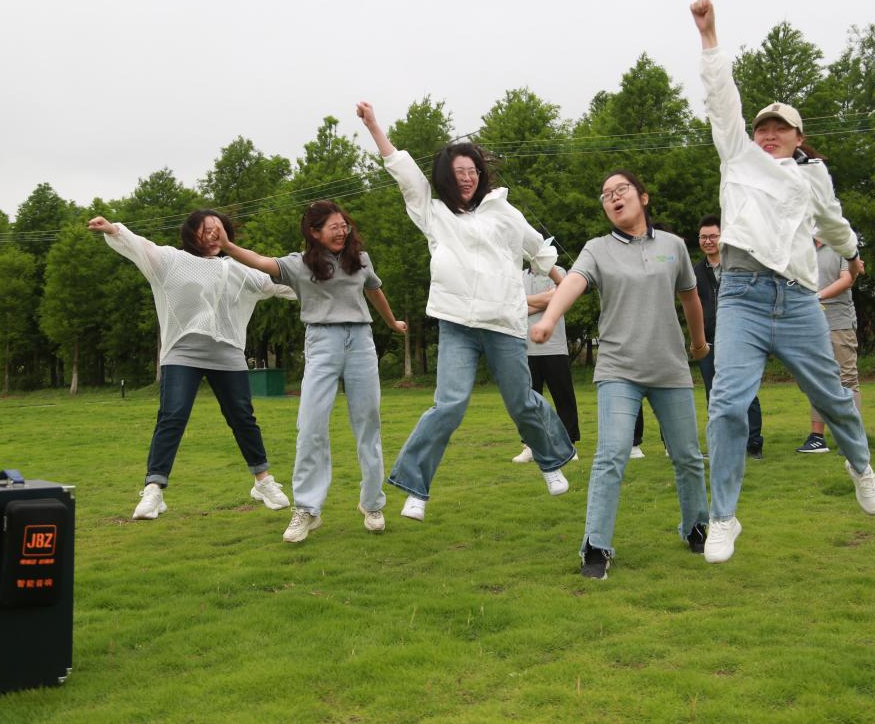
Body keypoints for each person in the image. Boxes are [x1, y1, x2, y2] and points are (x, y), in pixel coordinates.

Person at [691, 0, 875, 564]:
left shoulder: (813, 177)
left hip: (798, 300)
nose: (770, 134)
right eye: (764, 128)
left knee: (833, 396)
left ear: (799, 138)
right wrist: (709, 37)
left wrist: (852, 255)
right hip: (743, 297)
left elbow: (834, 223)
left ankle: (860, 465)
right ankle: (724, 516)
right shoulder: (737, 156)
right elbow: (722, 98)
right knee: (727, 406)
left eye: (782, 129)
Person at [356, 102, 577, 521]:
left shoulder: (504, 212)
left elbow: (540, 250)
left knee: (522, 402)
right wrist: (374, 127)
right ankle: (416, 489)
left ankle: (551, 462)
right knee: (448, 406)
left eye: (472, 170)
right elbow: (405, 175)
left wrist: (567, 285)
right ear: (446, 176)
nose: (467, 177)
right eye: (459, 172)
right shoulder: (434, 213)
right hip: (457, 323)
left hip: (504, 323)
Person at [531, 170, 710, 580]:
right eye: (606, 194)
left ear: (642, 197)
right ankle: (596, 547)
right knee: (611, 456)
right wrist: (550, 319)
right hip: (618, 370)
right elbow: (573, 282)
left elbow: (690, 297)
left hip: (669, 368)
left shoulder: (673, 246)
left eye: (621, 190)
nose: (613, 197)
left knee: (687, 456)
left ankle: (697, 527)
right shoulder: (597, 249)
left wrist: (699, 344)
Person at [213, 201, 407, 542]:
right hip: (321, 341)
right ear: (315, 233)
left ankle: (372, 504)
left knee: (368, 423)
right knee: (311, 425)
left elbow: (374, 289)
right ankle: (307, 509)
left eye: (344, 226)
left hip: (360, 341)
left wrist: (391, 322)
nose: (342, 231)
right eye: (334, 227)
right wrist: (228, 246)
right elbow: (260, 261)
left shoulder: (360, 259)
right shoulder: (299, 265)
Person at [88, 211, 296, 520]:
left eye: (218, 229)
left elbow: (284, 282)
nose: (213, 234)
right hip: (182, 352)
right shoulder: (171, 261)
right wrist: (114, 229)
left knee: (242, 417)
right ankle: (154, 489)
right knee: (172, 415)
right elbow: (140, 246)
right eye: (205, 229)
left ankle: (262, 481)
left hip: (227, 353)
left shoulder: (240, 269)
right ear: (191, 233)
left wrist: (325, 280)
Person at [695, 216, 764, 458]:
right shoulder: (695, 271)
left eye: (713, 236)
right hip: (708, 341)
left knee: (746, 392)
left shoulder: (738, 266)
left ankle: (753, 444)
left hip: (739, 339)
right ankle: (722, 444)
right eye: (703, 237)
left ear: (723, 238)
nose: (708, 241)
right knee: (714, 395)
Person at [511, 266, 581, 463]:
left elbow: (558, 299)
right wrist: (546, 300)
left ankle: (569, 446)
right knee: (528, 401)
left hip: (554, 347)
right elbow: (513, 307)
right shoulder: (519, 275)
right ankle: (531, 446)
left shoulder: (560, 273)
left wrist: (526, 301)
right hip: (526, 348)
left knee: (563, 398)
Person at [800, 236, 861, 453]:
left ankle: (852, 437)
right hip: (810, 323)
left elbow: (847, 279)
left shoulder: (842, 244)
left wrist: (816, 296)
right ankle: (817, 437)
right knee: (817, 380)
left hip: (839, 322)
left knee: (847, 378)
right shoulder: (800, 246)